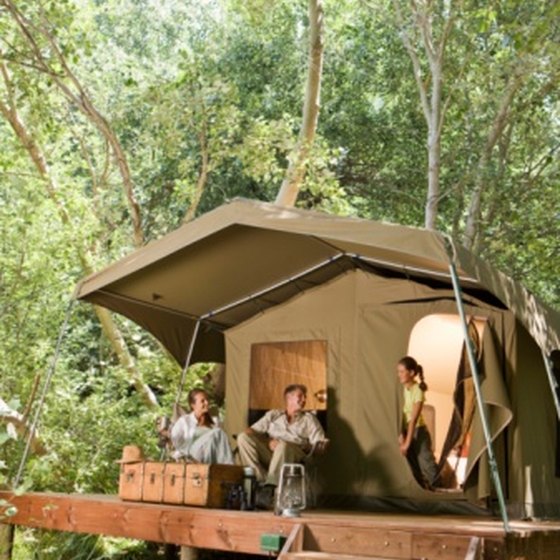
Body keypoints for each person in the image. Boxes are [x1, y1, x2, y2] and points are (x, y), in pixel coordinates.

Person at [237, 384, 328, 505]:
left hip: (294, 454)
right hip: (271, 454)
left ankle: (270, 487)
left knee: (283, 445)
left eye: (305, 397)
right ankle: (262, 480)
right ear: (288, 398)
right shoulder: (273, 415)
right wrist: (268, 442)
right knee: (242, 437)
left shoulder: (309, 419)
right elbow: (250, 431)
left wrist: (311, 447)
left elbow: (319, 444)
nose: (304, 400)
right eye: (300, 396)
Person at [397, 356, 439, 489]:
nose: (399, 375)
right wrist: (400, 434)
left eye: (402, 371)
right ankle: (424, 491)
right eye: (398, 371)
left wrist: (407, 443)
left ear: (412, 373)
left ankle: (438, 490)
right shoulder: (402, 389)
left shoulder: (418, 390)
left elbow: (413, 420)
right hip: (407, 430)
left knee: (426, 464)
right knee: (413, 466)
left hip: (418, 431)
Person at [169, 388, 234, 464]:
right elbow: (174, 441)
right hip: (191, 455)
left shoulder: (215, 422)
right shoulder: (184, 421)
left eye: (207, 400)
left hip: (210, 456)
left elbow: (221, 446)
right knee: (218, 432)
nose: (206, 403)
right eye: (202, 401)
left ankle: (220, 470)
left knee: (218, 435)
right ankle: (229, 467)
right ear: (193, 405)